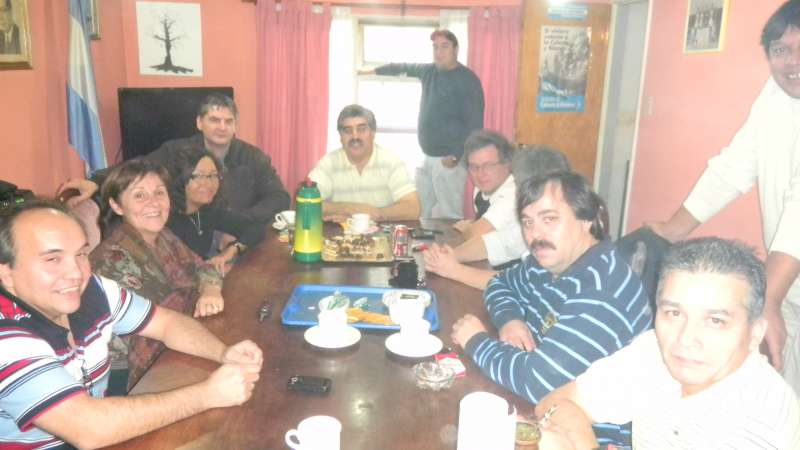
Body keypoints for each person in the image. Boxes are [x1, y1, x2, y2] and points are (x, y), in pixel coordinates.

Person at [0, 200, 263, 448]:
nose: (76, 273)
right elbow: (88, 428)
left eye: (80, 254)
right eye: (52, 259)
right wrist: (208, 394)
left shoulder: (93, 289)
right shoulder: (7, 337)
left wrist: (222, 352)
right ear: (7, 274)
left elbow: (167, 323)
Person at [650, 0, 800, 396]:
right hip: (788, 284)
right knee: (780, 393)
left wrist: (768, 298)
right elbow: (733, 167)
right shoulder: (775, 94)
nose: (792, 62)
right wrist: (672, 230)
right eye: (781, 49)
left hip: (783, 280)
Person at [535, 238, 800, 450]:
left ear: (755, 334)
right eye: (674, 313)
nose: (685, 338)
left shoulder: (759, 426)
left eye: (715, 321)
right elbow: (555, 403)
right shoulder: (654, 353)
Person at [450, 171, 652, 447]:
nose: (535, 235)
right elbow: (499, 284)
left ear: (587, 219)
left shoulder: (602, 290)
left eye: (549, 219)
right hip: (541, 406)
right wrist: (510, 319)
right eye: (527, 222)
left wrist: (475, 340)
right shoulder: (548, 261)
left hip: (588, 437)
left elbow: (540, 382)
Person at [91, 159, 225, 389]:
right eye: (139, 195)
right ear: (116, 206)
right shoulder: (112, 260)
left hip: (179, 342)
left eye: (159, 193)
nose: (153, 203)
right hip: (133, 373)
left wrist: (210, 290)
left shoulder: (164, 237)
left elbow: (203, 267)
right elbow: (164, 320)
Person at [58, 93, 290, 225]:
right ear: (199, 123)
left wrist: (242, 220)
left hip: (240, 237)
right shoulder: (177, 151)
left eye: (228, 121)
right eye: (214, 120)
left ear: (235, 126)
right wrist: (97, 181)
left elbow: (279, 197)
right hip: (192, 237)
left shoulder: (253, 157)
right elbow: (139, 167)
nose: (222, 127)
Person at [362, 29, 485, 219]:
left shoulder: (468, 79)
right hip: (426, 157)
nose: (439, 52)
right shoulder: (428, 71)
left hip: (449, 160)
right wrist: (373, 71)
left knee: (449, 215)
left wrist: (456, 155)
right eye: (435, 47)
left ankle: (450, 240)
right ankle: (421, 240)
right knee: (418, 211)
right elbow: (402, 67)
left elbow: (475, 124)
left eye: (444, 46)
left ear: (456, 49)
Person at [424, 145, 570, 290]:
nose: (517, 193)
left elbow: (521, 284)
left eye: (518, 185)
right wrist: (450, 255)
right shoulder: (535, 221)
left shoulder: (558, 235)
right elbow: (498, 243)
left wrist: (454, 270)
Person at [309, 104, 420, 222]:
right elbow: (305, 203)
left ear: (373, 133)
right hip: (340, 231)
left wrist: (376, 214)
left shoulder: (390, 162)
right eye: (348, 130)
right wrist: (348, 209)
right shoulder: (329, 163)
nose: (355, 136)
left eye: (361, 129)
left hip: (382, 231)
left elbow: (414, 208)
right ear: (341, 137)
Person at [163, 146, 265, 274]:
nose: (209, 183)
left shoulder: (206, 210)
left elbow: (255, 228)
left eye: (212, 175)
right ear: (180, 180)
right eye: (199, 176)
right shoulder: (167, 222)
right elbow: (180, 273)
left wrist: (231, 250)